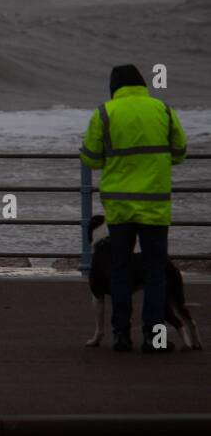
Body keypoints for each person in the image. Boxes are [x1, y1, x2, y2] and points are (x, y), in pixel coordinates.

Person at [80, 65, 188, 353]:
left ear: (114, 88)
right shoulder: (162, 109)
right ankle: (155, 339)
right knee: (155, 271)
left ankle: (121, 336)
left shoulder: (105, 112)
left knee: (120, 268)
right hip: (154, 205)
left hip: (119, 206)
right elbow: (180, 151)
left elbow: (90, 158)